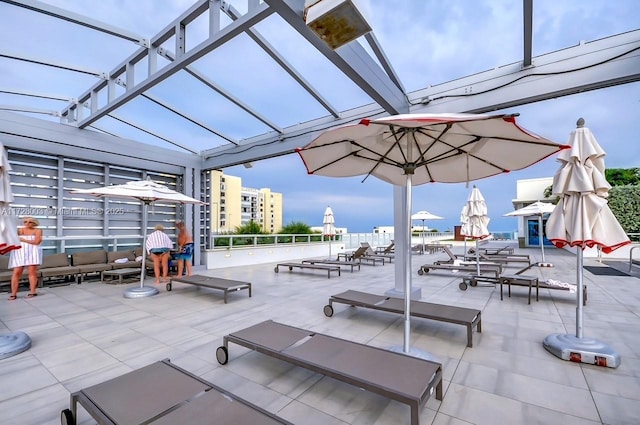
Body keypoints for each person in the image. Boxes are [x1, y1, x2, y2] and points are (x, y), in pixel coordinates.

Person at [8, 216, 43, 300]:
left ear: (34, 223)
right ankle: (13, 294)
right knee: (16, 272)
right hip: (19, 252)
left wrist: (24, 240)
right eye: (25, 222)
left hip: (32, 252)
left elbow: (37, 242)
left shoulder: (38, 230)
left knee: (32, 272)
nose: (27, 223)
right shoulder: (20, 230)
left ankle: (33, 291)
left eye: (30, 222)